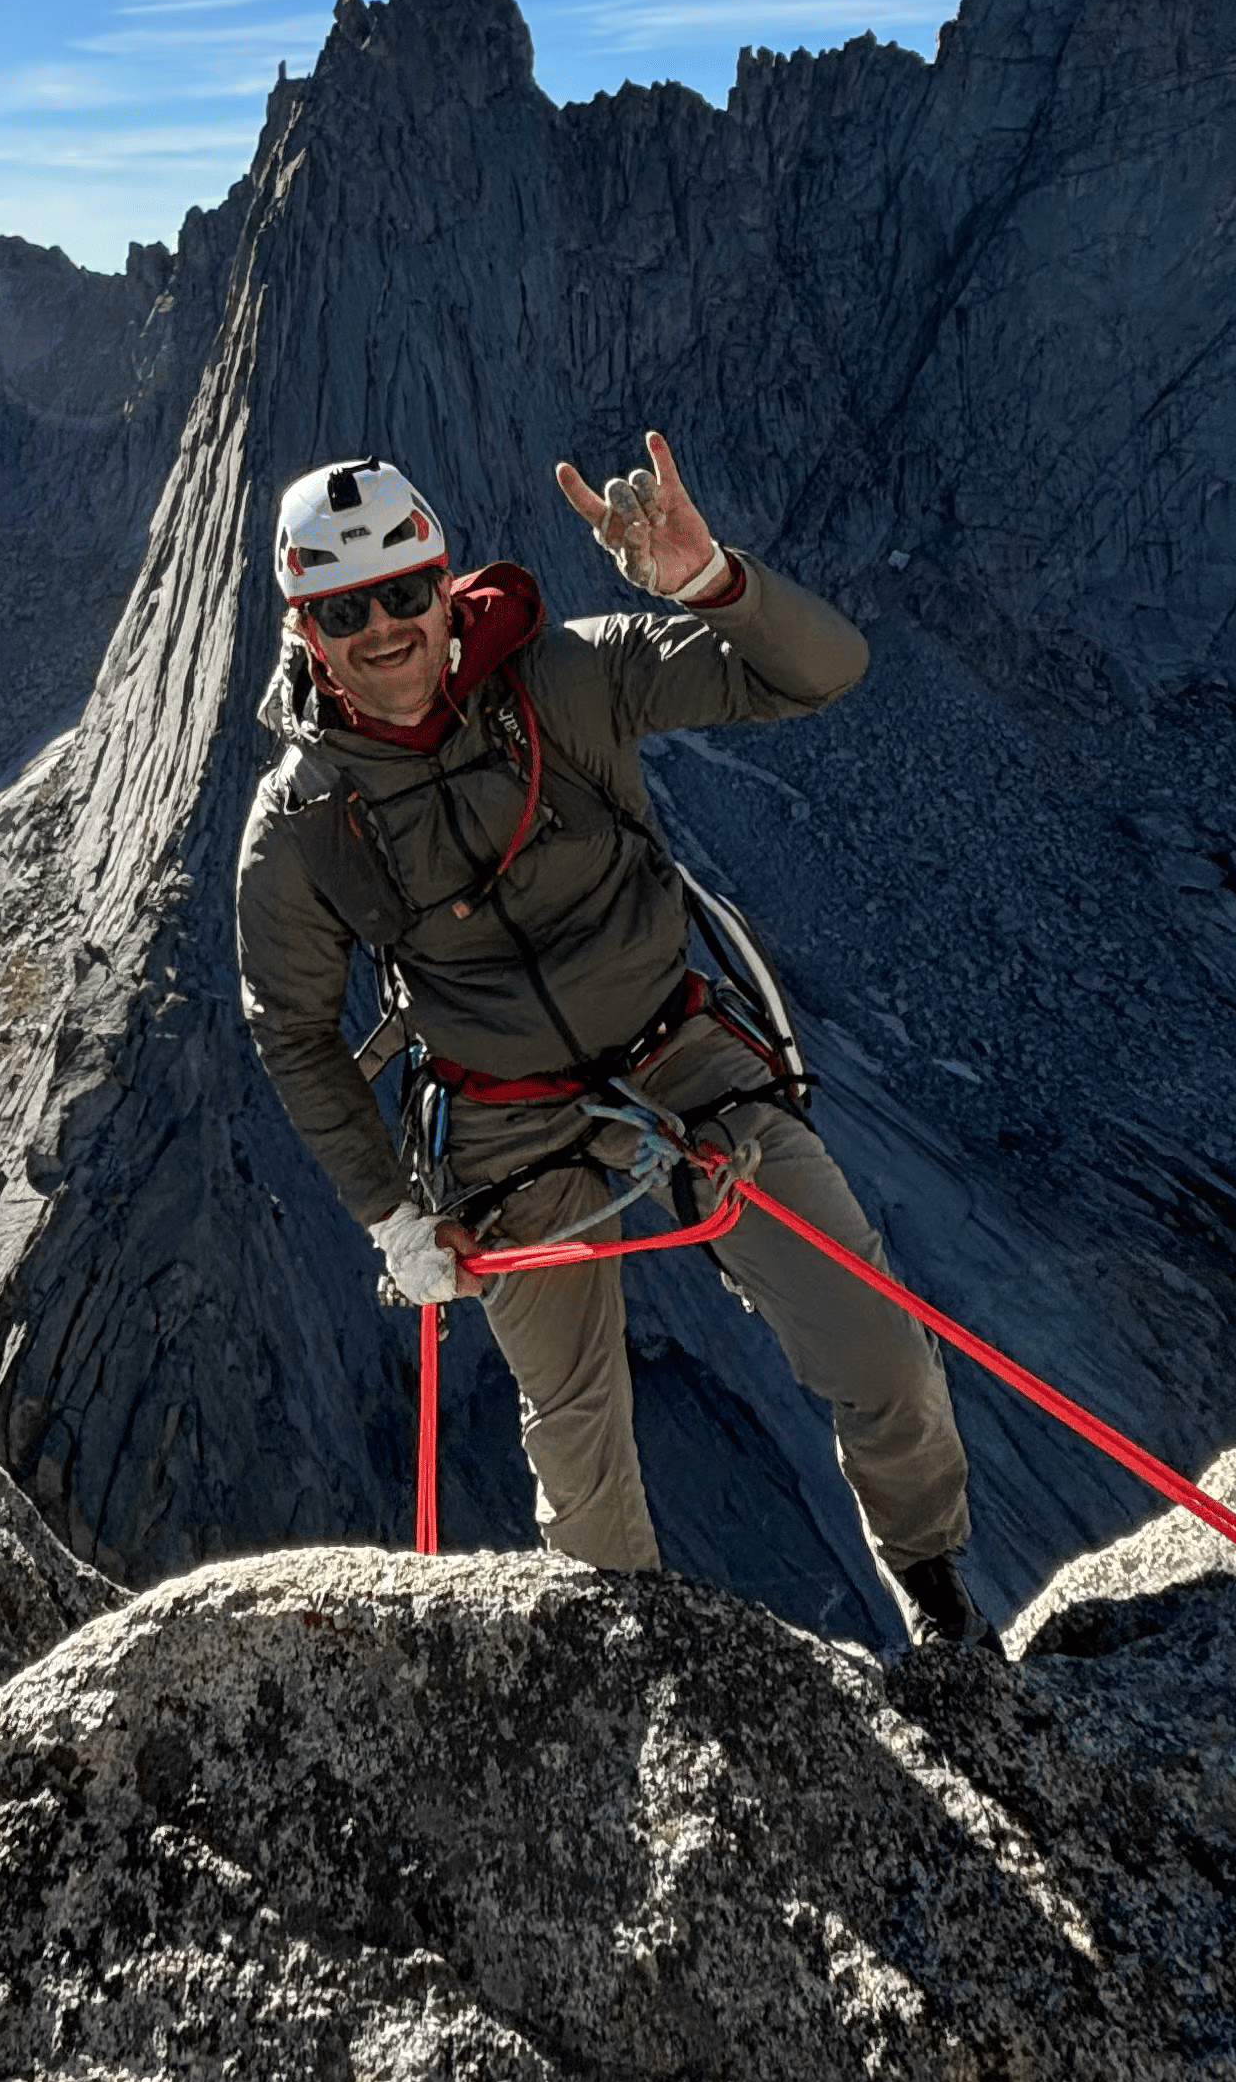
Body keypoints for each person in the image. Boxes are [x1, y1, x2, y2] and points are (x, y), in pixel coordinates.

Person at [233, 433, 991, 1643]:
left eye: (402, 593)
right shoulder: (302, 824)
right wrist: (388, 1212)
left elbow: (822, 672)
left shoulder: (568, 678)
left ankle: (937, 1589)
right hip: (499, 1120)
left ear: (444, 584)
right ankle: (645, 1673)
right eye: (343, 608)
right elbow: (291, 1026)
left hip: (675, 1055)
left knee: (878, 1347)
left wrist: (708, 582)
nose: (383, 628)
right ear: (304, 630)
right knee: (579, 1464)